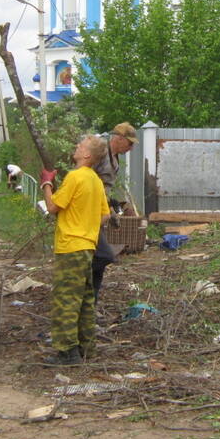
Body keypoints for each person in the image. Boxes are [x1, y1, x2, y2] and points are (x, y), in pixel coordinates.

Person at [40, 135, 110, 366]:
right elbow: (105, 216)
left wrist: (47, 183)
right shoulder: (95, 180)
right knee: (85, 299)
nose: (77, 147)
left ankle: (67, 353)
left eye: (81, 146)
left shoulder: (75, 176)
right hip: (88, 247)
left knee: (66, 300)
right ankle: (86, 347)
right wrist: (85, 222)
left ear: (87, 155)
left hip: (70, 246)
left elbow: (52, 207)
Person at [90, 122, 139, 298]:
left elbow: (104, 188)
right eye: (130, 143)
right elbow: (86, 178)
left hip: (98, 211)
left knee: (99, 262)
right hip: (88, 212)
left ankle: (90, 303)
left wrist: (111, 207)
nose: (131, 148)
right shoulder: (101, 152)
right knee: (104, 256)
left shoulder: (114, 158)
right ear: (119, 138)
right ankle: (81, 284)